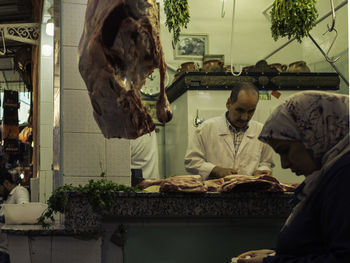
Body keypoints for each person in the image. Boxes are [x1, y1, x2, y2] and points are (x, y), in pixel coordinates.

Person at [236, 91, 350, 263]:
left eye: (285, 150)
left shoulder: (344, 175)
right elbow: (320, 245)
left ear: (313, 134)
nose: (284, 164)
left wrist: (273, 262)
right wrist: (277, 255)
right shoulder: (327, 174)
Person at [184, 82, 274, 180]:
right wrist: (215, 169)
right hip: (215, 192)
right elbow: (191, 162)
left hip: (250, 192)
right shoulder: (206, 128)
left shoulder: (262, 131)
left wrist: (262, 170)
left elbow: (266, 163)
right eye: (240, 110)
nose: (244, 117)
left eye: (251, 111)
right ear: (228, 103)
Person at [0, 168, 30, 263]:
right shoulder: (8, 198)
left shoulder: (19, 191)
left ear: (6, 183)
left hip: (8, 252)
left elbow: (24, 209)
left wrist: (1, 218)